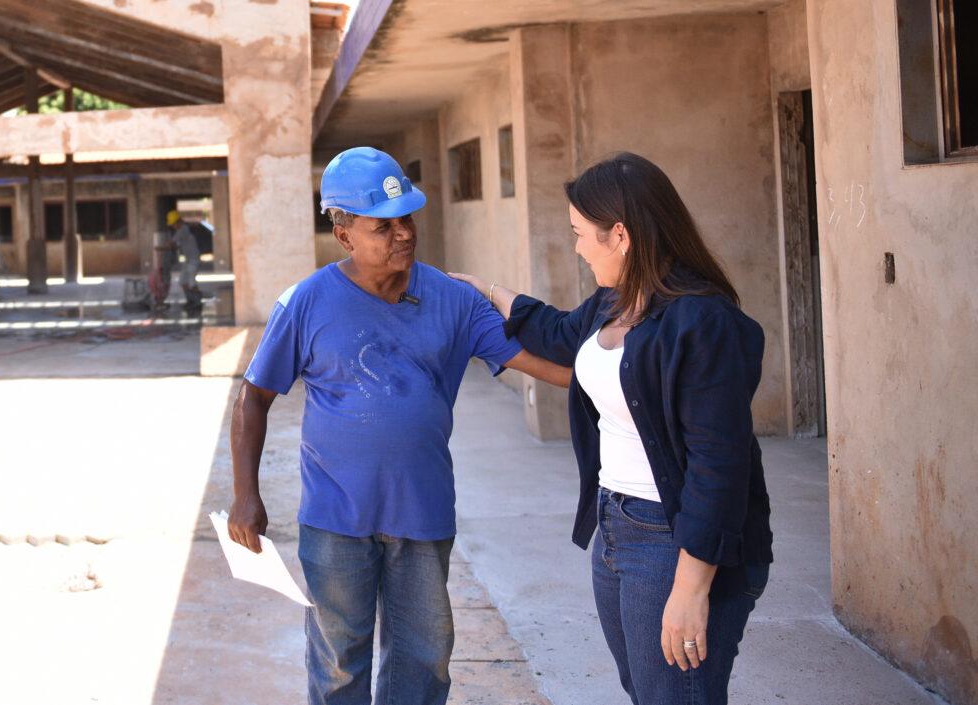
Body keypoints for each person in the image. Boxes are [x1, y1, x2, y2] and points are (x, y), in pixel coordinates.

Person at [227, 147, 566, 705]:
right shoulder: (306, 303)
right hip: (335, 518)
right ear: (344, 236)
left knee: (423, 660)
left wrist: (636, 365)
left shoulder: (454, 300)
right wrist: (246, 495)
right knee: (339, 662)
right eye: (383, 226)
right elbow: (253, 398)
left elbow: (549, 367)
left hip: (422, 512)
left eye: (406, 218)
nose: (403, 233)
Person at [452, 151, 772, 705]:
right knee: (647, 691)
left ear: (620, 235)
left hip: (672, 539)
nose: (577, 248)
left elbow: (719, 467)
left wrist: (691, 588)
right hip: (615, 524)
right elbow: (558, 334)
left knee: (675, 696)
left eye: (581, 234)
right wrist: (489, 292)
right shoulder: (614, 300)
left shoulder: (703, 322)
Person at [166, 210, 204, 313]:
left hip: (194, 260)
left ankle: (198, 302)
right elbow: (176, 245)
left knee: (191, 283)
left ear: (178, 222)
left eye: (173, 224)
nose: (173, 226)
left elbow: (172, 243)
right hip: (188, 260)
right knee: (183, 281)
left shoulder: (183, 230)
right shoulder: (182, 232)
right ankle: (191, 300)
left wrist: (162, 246)